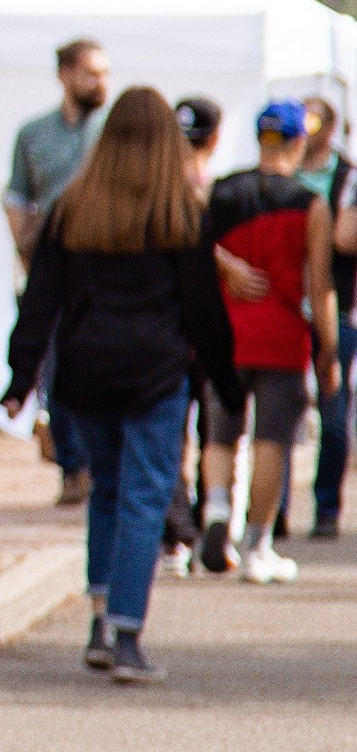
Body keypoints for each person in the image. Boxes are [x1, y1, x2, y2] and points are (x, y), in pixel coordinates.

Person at [3, 88, 241, 683]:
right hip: (155, 375)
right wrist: (228, 384)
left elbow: (42, 300)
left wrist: (19, 374)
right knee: (144, 498)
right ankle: (126, 634)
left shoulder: (71, 209)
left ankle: (100, 621)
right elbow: (203, 311)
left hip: (84, 375)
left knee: (108, 493)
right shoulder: (181, 214)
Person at [198, 100, 339, 581]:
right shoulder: (310, 204)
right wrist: (329, 349)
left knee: (221, 434)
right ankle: (257, 544)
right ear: (299, 143)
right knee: (271, 440)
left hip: (224, 333)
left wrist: (226, 266)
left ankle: (217, 513)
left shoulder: (221, 192)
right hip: (280, 335)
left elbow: (194, 244)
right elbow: (320, 286)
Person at [5, 40, 110, 507]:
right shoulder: (33, 134)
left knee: (95, 363)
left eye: (104, 73)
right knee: (53, 367)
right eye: (89, 73)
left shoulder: (113, 132)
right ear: (64, 74)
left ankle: (96, 459)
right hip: (51, 264)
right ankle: (73, 466)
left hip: (103, 264)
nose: (99, 82)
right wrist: (26, 254)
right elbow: (17, 198)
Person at [158, 98, 224, 572]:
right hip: (204, 322)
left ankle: (182, 527)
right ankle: (194, 522)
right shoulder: (216, 191)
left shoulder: (161, 189)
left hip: (176, 325)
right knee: (206, 429)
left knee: (178, 431)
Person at [306, 104, 354, 542]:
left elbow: (344, 240)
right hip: (287, 308)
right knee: (277, 412)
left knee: (334, 412)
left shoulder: (347, 175)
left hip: (337, 307)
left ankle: (326, 507)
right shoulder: (276, 175)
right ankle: (272, 513)